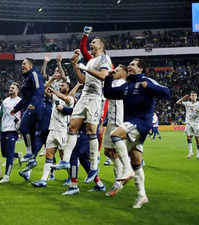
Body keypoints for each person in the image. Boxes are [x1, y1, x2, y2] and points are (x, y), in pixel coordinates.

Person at [104, 58, 170, 208]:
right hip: (132, 124)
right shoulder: (127, 86)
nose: (129, 66)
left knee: (115, 134)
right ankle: (142, 195)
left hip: (141, 122)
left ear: (141, 69)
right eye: (129, 65)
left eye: (133, 64)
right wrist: (108, 77)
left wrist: (150, 87)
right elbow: (108, 93)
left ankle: (126, 170)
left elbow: (167, 92)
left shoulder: (146, 80)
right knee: (136, 162)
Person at [54, 32, 112, 189]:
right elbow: (82, 80)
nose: (91, 44)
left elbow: (104, 76)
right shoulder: (92, 61)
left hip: (95, 98)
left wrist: (84, 66)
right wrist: (75, 65)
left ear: (101, 46)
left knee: (91, 130)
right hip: (84, 96)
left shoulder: (104, 59)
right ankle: (65, 160)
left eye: (94, 42)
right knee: (72, 126)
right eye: (91, 42)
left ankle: (94, 167)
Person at [31, 77, 74, 187]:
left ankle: (71, 178)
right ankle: (43, 180)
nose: (60, 87)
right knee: (49, 155)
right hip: (52, 130)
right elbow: (43, 89)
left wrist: (54, 91)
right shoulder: (56, 96)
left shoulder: (70, 98)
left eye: (63, 85)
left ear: (68, 87)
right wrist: (51, 81)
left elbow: (66, 100)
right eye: (59, 85)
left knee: (65, 157)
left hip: (63, 131)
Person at [10, 58, 45, 179]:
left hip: (36, 109)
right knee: (36, 141)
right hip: (30, 108)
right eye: (21, 64)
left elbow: (39, 90)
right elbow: (25, 99)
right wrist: (16, 108)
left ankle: (29, 152)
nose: (22, 65)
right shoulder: (26, 78)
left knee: (22, 127)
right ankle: (28, 171)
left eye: (24, 63)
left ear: (30, 65)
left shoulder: (34, 74)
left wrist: (34, 104)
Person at [102, 65, 127, 197]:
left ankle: (118, 182)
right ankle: (124, 172)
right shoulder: (115, 82)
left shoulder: (122, 83)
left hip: (117, 122)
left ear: (123, 73)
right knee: (107, 151)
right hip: (111, 120)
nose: (114, 71)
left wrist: (108, 76)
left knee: (114, 152)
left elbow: (107, 91)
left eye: (117, 70)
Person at [0, 83, 22, 183]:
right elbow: (1, 114)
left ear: (17, 90)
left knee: (9, 154)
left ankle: (6, 176)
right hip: (3, 129)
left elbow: (23, 114)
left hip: (13, 130)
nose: (10, 89)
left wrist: (20, 125)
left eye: (13, 88)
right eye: (10, 88)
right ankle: (18, 155)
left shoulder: (20, 101)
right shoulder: (5, 101)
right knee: (4, 153)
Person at [176, 92, 199, 159]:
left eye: (195, 95)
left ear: (196, 97)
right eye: (192, 95)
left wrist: (197, 109)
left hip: (196, 123)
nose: (193, 97)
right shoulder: (187, 103)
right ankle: (190, 152)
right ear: (190, 97)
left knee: (197, 139)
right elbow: (177, 102)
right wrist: (184, 97)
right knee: (188, 137)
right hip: (188, 122)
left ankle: (198, 152)